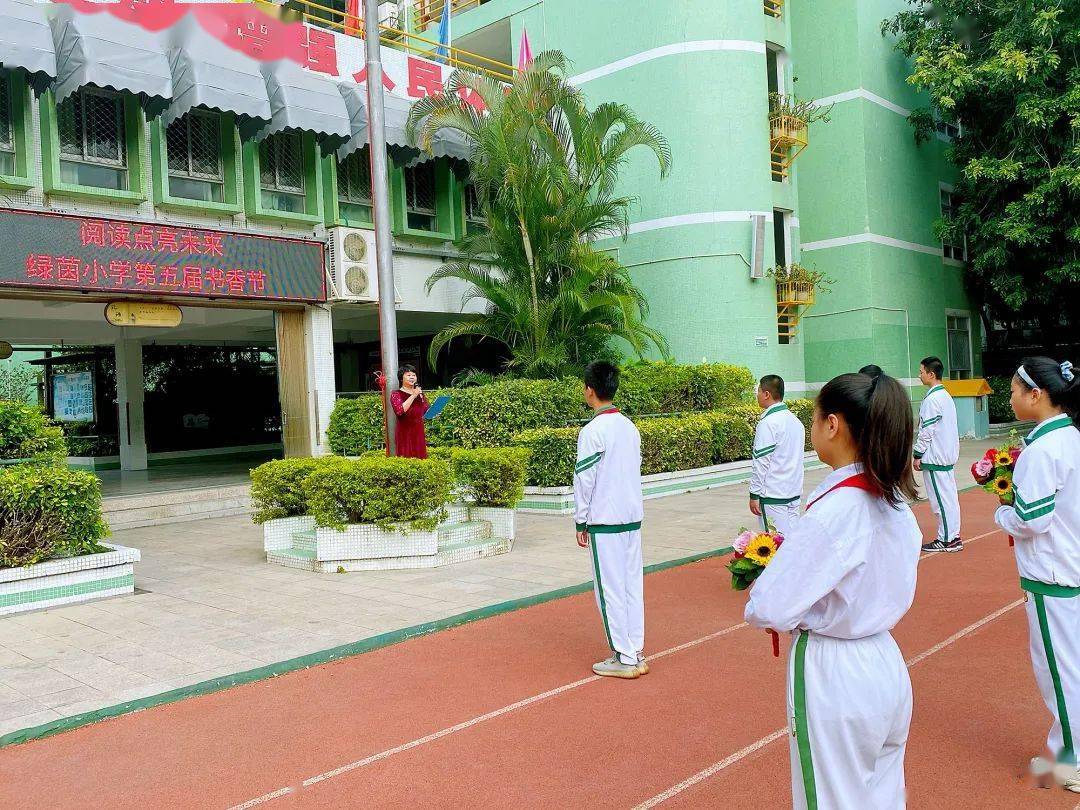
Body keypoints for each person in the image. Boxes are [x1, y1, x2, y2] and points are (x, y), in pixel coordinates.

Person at [746, 373, 921, 809]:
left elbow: (769, 607)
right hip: (885, 660)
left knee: (828, 799)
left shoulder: (835, 511)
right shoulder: (896, 505)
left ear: (833, 424)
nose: (813, 426)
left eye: (816, 416)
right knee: (882, 795)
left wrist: (765, 580)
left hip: (836, 672)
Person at [994, 357, 1080, 793]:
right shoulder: (1070, 437)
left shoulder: (1042, 451)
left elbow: (1032, 519)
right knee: (1072, 667)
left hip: (1053, 575)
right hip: (1070, 567)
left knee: (1059, 673)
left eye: (1013, 390)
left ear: (1036, 395)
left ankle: (1070, 762)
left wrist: (1002, 513)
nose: (1009, 397)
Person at [574, 360, 646, 679]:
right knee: (631, 586)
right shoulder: (629, 427)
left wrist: (580, 520)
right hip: (631, 519)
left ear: (590, 391)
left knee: (610, 590)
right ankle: (635, 650)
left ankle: (623, 656)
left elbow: (584, 479)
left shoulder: (593, 431)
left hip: (606, 521)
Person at [913, 356, 962, 552]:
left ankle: (947, 539)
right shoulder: (945, 396)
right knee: (949, 499)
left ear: (931, 374)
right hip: (946, 455)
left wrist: (918, 454)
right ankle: (953, 536)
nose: (919, 375)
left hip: (936, 457)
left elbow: (927, 430)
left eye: (921, 371)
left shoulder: (933, 399)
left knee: (940, 501)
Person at [749, 374, 806, 536]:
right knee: (792, 544)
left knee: (775, 548)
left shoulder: (768, 423)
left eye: (758, 390)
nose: (757, 395)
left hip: (773, 496)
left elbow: (761, 461)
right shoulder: (796, 422)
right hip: (793, 493)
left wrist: (754, 494)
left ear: (766, 394)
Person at [389, 364, 428, 459]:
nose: (412, 377)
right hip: (405, 433)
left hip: (418, 431)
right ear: (401, 378)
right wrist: (413, 395)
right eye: (408, 375)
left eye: (414, 375)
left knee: (421, 459)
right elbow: (399, 411)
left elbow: (425, 411)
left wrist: (435, 411)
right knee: (406, 458)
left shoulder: (420, 393)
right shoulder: (396, 394)